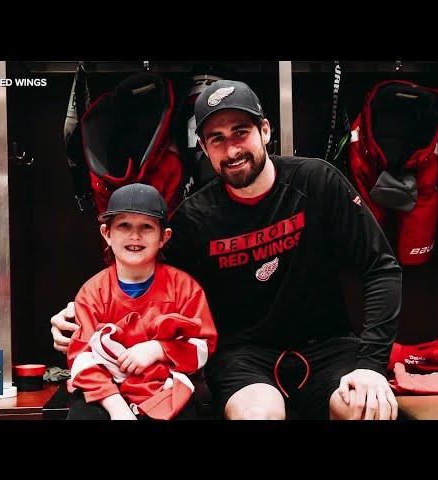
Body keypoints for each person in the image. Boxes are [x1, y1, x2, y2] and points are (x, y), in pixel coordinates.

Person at [53, 80, 402, 420]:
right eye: (217, 139)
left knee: (369, 409)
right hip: (243, 357)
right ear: (204, 149)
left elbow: (380, 267)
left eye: (240, 132)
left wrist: (371, 365)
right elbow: (142, 276)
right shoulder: (195, 217)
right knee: (259, 415)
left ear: (264, 130)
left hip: (329, 347)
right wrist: (82, 316)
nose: (232, 149)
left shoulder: (316, 181)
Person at [65, 183, 217, 420]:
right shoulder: (92, 292)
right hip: (106, 394)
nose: (134, 236)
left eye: (146, 227)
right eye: (124, 225)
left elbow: (203, 347)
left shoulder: (185, 288)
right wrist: (118, 409)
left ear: (163, 237)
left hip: (165, 391)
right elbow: (81, 360)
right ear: (106, 233)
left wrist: (158, 349)